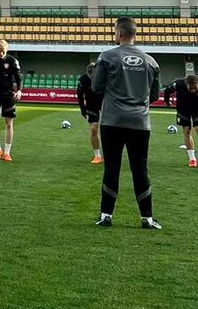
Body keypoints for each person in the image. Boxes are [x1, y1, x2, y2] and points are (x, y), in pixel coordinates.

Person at [92, 16, 161, 229]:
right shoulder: (151, 62)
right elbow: (155, 95)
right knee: (140, 169)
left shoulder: (107, 56)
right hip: (140, 122)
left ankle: (106, 216)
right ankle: (147, 218)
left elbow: (96, 87)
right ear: (134, 34)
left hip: (113, 120)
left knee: (111, 167)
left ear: (119, 33)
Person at [163, 73, 198, 168]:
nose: (193, 90)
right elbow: (167, 90)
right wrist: (167, 101)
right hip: (183, 109)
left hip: (197, 108)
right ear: (186, 84)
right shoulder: (178, 84)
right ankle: (192, 159)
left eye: (195, 88)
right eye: (190, 88)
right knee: (187, 131)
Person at [76, 62, 103, 164]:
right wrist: (83, 111)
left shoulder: (103, 78)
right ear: (90, 73)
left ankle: (110, 153)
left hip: (105, 105)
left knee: (108, 130)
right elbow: (79, 96)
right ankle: (97, 156)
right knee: (93, 129)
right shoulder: (83, 80)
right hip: (91, 106)